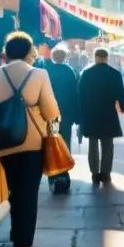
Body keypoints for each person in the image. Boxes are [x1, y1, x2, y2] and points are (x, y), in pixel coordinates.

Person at [0, 32, 60, 247]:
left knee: (15, 190)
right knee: (29, 193)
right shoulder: (39, 74)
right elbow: (51, 111)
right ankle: (23, 245)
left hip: (5, 144)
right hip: (33, 143)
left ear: (7, 51)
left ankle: (16, 236)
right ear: (28, 51)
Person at [78, 47, 124, 184]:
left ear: (95, 57)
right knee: (107, 144)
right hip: (108, 113)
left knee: (92, 144)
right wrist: (123, 106)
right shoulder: (114, 73)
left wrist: (80, 113)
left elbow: (80, 94)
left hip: (91, 113)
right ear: (107, 57)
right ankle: (105, 173)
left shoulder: (86, 73)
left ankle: (94, 173)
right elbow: (120, 93)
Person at [46, 45, 79, 194]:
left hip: (51, 114)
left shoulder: (47, 71)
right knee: (65, 141)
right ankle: (64, 172)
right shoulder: (70, 72)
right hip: (66, 114)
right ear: (65, 58)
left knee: (52, 142)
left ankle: (53, 173)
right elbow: (75, 94)